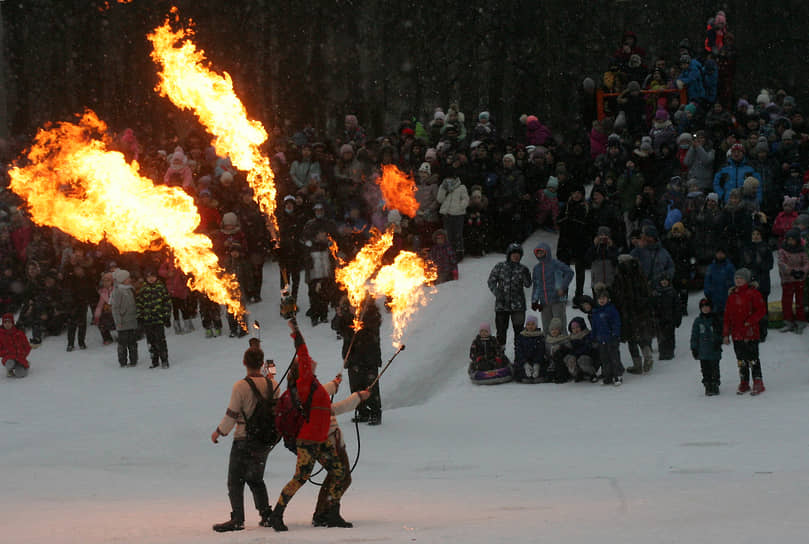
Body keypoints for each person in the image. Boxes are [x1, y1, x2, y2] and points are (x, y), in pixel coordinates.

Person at [270, 320, 352, 531]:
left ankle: (332, 513)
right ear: (302, 369)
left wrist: (335, 383)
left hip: (322, 438)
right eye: (307, 361)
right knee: (300, 478)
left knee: (340, 472)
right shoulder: (305, 381)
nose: (311, 360)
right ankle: (276, 514)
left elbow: (323, 399)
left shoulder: (314, 385)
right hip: (308, 441)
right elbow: (303, 352)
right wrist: (295, 330)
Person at [210, 346, 280, 532]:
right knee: (256, 478)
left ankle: (238, 518)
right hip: (264, 439)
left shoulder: (240, 386)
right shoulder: (273, 384)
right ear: (262, 363)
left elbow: (232, 415)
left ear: (244, 363)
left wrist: (219, 432)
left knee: (235, 480)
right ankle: (266, 514)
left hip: (244, 438)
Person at [312, 378, 370, 527]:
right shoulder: (307, 391)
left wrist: (333, 384)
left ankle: (321, 513)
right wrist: (358, 397)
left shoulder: (304, 389)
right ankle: (330, 512)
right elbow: (335, 408)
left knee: (333, 476)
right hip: (330, 442)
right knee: (343, 478)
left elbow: (321, 393)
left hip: (326, 441)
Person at [332, 294, 383, 425]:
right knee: (356, 386)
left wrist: (360, 317)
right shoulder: (346, 310)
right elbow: (336, 326)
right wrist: (340, 315)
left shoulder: (371, 312)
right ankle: (362, 412)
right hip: (353, 357)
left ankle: (375, 413)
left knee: (370, 386)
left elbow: (372, 327)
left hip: (369, 356)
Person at [722, 268, 767, 395]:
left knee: (753, 358)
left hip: (750, 333)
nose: (738, 280)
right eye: (736, 278)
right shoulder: (732, 296)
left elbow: (761, 310)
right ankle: (744, 382)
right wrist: (726, 334)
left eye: (741, 278)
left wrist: (750, 321)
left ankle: (758, 381)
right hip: (737, 334)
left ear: (746, 279)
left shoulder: (753, 293)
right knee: (741, 359)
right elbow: (727, 317)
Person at [487, 243, 532, 349]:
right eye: (513, 253)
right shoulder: (500, 266)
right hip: (501, 306)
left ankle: (519, 358)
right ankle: (500, 357)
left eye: (518, 254)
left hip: (518, 306)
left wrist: (526, 274)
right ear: (509, 254)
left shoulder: (523, 269)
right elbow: (491, 281)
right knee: (501, 332)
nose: (516, 256)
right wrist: (498, 293)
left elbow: (528, 284)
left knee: (519, 332)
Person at [530, 242, 574, 333]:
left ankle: (563, 345)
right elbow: (536, 285)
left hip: (557, 300)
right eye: (538, 253)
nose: (540, 254)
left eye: (541, 252)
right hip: (544, 302)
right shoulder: (536, 268)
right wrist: (534, 300)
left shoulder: (555, 264)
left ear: (547, 252)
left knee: (559, 325)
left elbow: (569, 272)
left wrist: (563, 287)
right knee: (547, 327)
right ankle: (548, 346)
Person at [136, 268, 172, 369]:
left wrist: (166, 316)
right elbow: (139, 304)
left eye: (153, 276)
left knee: (160, 340)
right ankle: (154, 360)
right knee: (151, 342)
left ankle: (164, 360)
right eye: (148, 277)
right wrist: (140, 317)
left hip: (159, 319)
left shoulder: (161, 288)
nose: (151, 279)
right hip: (148, 320)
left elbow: (167, 303)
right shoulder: (143, 289)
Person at [777, 229, 809, 333]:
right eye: (788, 240)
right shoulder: (782, 251)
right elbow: (781, 263)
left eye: (792, 240)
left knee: (800, 301)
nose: (790, 242)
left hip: (800, 279)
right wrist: (791, 271)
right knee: (787, 301)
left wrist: (802, 271)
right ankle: (788, 321)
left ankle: (801, 321)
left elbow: (806, 262)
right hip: (787, 280)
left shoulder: (801, 251)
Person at [690, 298, 723, 396]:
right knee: (705, 369)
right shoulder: (698, 321)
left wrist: (718, 341)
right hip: (703, 351)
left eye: (707, 306)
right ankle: (707, 384)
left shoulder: (716, 319)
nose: (705, 309)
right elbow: (694, 336)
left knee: (714, 368)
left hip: (714, 350)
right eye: (703, 307)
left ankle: (715, 384)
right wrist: (694, 348)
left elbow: (720, 332)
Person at [590, 286, 622, 386]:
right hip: (601, 339)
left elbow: (616, 323)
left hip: (611, 338)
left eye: (604, 298)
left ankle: (617, 376)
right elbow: (594, 327)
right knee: (604, 358)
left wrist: (615, 334)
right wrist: (593, 337)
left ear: (608, 299)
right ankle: (607, 376)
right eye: (599, 299)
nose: (601, 300)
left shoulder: (611, 310)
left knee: (614, 357)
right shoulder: (595, 312)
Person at [110, 269, 138, 367]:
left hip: (132, 320)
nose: (129, 279)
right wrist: (118, 321)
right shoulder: (118, 291)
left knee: (132, 342)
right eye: (127, 278)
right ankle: (123, 361)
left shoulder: (130, 289)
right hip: (123, 322)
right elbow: (115, 308)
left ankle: (134, 360)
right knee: (123, 343)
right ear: (122, 280)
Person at [564, 317, 597, 382]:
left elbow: (587, 348)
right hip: (576, 356)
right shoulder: (570, 338)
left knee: (582, 360)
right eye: (573, 328)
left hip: (588, 356)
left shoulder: (586, 335)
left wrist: (576, 354)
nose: (575, 329)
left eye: (577, 327)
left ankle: (591, 374)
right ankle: (578, 374)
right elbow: (570, 349)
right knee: (569, 359)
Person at [513, 314, 545, 383]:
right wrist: (525, 364)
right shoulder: (521, 336)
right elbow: (518, 351)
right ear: (525, 325)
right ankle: (526, 376)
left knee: (544, 369)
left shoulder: (540, 336)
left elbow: (541, 351)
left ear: (536, 325)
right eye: (528, 324)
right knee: (518, 370)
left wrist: (536, 364)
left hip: (537, 361)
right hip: (524, 361)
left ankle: (537, 375)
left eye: (533, 324)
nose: (530, 326)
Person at [0, 313, 31, 378]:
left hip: (20, 357)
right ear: (3, 323)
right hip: (9, 357)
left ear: (12, 323)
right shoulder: (1, 335)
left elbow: (27, 346)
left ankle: (25, 366)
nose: (7, 324)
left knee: (20, 374)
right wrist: (6, 352)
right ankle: (10, 370)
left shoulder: (19, 333)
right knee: (9, 363)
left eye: (9, 322)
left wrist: (24, 354)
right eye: (5, 322)